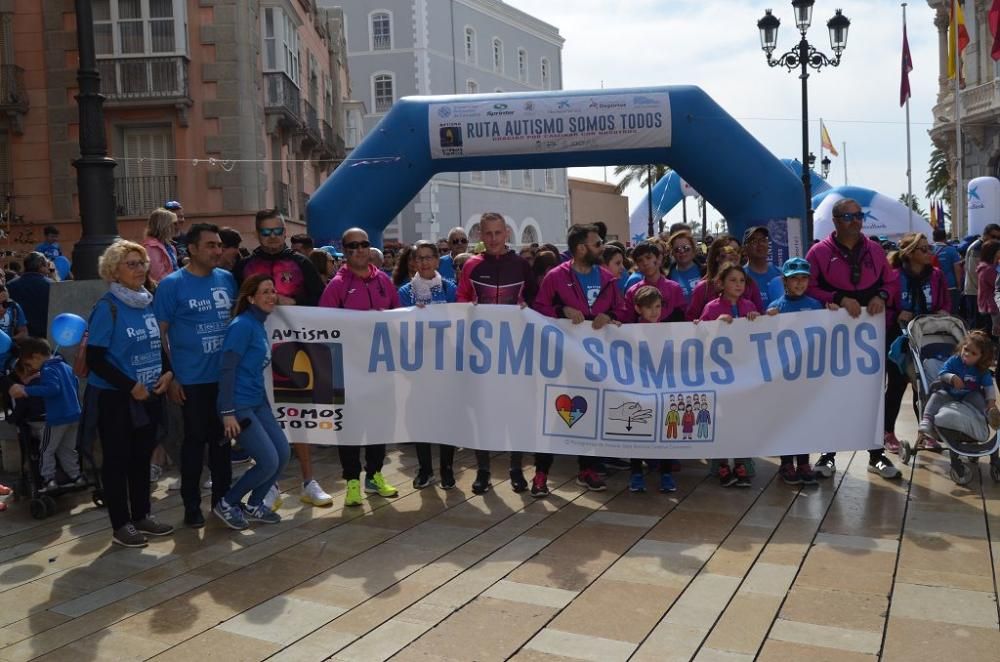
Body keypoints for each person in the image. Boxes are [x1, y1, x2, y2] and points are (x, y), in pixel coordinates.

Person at [233, 210, 331, 507]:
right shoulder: (245, 266)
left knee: (298, 415)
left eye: (277, 231)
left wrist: (293, 303)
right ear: (257, 233)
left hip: (295, 349)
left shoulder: (301, 263)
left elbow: (321, 302)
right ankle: (270, 483)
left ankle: (308, 481)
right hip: (256, 352)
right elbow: (236, 305)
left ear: (285, 231)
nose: (273, 238)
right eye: (266, 232)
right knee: (266, 415)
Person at [805, 197, 902, 480]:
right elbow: (807, 288)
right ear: (836, 221)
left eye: (859, 216)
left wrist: (881, 296)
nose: (856, 221)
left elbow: (891, 282)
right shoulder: (819, 253)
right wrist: (836, 297)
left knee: (873, 393)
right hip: (834, 336)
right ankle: (828, 454)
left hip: (871, 335)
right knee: (833, 393)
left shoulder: (874, 249)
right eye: (849, 217)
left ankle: (876, 454)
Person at [86, 240, 174, 548]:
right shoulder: (107, 307)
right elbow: (95, 359)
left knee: (140, 458)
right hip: (116, 398)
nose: (140, 269)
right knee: (117, 461)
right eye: (132, 264)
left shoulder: (146, 302)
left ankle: (142, 516)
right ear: (114, 270)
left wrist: (167, 371)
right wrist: (129, 386)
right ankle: (120, 524)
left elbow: (155, 343)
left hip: (148, 393)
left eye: (142, 263)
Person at [154, 224, 238, 528]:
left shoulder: (227, 279)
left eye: (219, 245)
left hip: (224, 378)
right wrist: (171, 374)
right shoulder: (171, 285)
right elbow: (158, 334)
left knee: (223, 441)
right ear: (191, 249)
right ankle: (191, 505)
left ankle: (222, 501)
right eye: (210, 245)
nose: (218, 250)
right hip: (190, 380)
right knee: (193, 442)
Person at [535, 223, 622, 493]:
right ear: (581, 248)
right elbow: (540, 308)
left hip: (595, 361)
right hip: (561, 359)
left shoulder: (607, 277)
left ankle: (588, 469)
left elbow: (623, 310)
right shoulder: (555, 276)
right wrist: (562, 309)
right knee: (551, 416)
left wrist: (610, 316)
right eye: (597, 244)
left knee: (591, 412)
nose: (602, 248)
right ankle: (540, 474)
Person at [457, 212, 539, 495]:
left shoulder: (520, 265)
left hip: (515, 353)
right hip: (481, 356)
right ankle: (483, 471)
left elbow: (536, 300)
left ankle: (516, 469)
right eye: (487, 233)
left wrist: (528, 308)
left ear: (506, 234)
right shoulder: (471, 265)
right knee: (482, 413)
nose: (492, 239)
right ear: (481, 236)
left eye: (497, 233)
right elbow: (460, 303)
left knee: (514, 412)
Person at [319, 228, 400, 506]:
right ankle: (352, 480)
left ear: (370, 247)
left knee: (379, 424)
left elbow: (399, 318)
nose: (358, 250)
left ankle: (374, 475)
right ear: (344, 250)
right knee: (350, 427)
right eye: (351, 246)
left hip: (380, 368)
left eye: (363, 244)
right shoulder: (337, 286)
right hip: (348, 369)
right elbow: (323, 327)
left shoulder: (384, 282)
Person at [213, 274, 290, 529]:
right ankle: (227, 503)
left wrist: (266, 406)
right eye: (265, 291)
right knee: (268, 460)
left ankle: (256, 503)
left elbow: (256, 371)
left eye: (273, 291)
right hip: (238, 406)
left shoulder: (259, 324)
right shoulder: (242, 325)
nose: (271, 296)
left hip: (257, 403)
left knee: (283, 453)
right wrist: (227, 412)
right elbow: (227, 369)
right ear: (250, 298)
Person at [766, 257, 840, 484]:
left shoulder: (816, 305)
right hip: (785, 375)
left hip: (808, 374)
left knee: (804, 419)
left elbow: (827, 332)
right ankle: (786, 463)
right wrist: (767, 321)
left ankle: (804, 462)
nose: (799, 283)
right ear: (784, 281)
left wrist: (834, 313)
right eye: (794, 279)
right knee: (786, 419)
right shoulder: (775, 307)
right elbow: (764, 338)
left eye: (803, 278)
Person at [397, 241, 458, 488]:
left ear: (436, 260)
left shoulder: (449, 287)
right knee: (421, 417)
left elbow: (461, 319)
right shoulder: (404, 292)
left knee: (446, 417)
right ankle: (425, 469)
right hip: (418, 363)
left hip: (446, 362)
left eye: (428, 258)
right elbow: (398, 326)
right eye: (419, 258)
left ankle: (447, 469)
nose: (424, 263)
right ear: (413, 262)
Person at [885, 233, 951, 452]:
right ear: (910, 253)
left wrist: (943, 312)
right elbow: (886, 306)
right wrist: (896, 313)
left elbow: (944, 302)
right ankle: (887, 433)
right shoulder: (895, 277)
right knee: (897, 384)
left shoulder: (937, 275)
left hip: (927, 333)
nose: (929, 253)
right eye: (923, 249)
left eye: (929, 248)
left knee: (923, 384)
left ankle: (925, 433)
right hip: (899, 336)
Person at [698, 263, 760, 488]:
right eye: (733, 280)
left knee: (742, 418)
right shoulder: (712, 307)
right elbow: (700, 336)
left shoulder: (750, 305)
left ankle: (742, 461)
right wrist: (715, 325)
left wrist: (756, 319)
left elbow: (761, 335)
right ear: (721, 284)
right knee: (721, 419)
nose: (738, 285)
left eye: (742, 281)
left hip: (744, 374)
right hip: (719, 376)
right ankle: (722, 462)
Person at [9, 337, 84, 491]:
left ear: (36, 356)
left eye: (29, 364)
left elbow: (52, 389)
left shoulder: (47, 370)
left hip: (57, 418)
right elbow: (75, 383)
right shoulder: (65, 366)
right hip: (74, 415)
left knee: (45, 450)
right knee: (68, 449)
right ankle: (76, 476)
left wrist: (26, 390)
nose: (32, 368)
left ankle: (48, 479)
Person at [627, 285, 678, 494]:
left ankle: (666, 473)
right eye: (648, 308)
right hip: (638, 389)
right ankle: (636, 473)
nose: (654, 312)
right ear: (638, 309)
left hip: (662, 389)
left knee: (664, 431)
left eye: (657, 306)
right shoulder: (628, 330)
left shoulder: (669, 330)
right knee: (637, 431)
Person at [918, 330, 1000, 435]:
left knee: (979, 398)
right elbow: (942, 373)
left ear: (981, 357)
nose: (967, 354)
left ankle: (989, 415)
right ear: (962, 346)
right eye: (966, 349)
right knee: (936, 397)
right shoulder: (954, 360)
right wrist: (952, 378)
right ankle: (927, 420)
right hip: (949, 392)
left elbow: (989, 386)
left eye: (973, 353)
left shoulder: (981, 369)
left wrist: (991, 402)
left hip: (969, 394)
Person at [686, 235, 763, 320]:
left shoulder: (750, 284)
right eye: (730, 251)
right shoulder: (703, 288)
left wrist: (757, 317)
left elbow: (761, 316)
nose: (735, 255)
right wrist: (716, 324)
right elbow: (691, 323)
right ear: (717, 256)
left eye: (737, 251)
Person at [620, 241, 686, 323]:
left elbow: (682, 320)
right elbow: (628, 322)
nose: (645, 263)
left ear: (658, 259)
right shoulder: (632, 292)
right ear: (637, 265)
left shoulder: (674, 288)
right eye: (640, 260)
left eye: (648, 257)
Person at [963, 224, 1000, 327]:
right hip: (975, 294)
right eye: (993, 237)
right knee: (978, 328)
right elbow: (975, 274)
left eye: (998, 237)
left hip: (985, 295)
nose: (996, 240)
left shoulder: (989, 248)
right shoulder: (977, 248)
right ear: (985, 235)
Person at [8, 252, 53, 338]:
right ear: (40, 265)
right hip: (45, 336)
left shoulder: (11, 285)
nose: (48, 267)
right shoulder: (52, 285)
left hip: (19, 337)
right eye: (46, 264)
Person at [742, 226, 783, 309]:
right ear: (745, 248)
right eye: (754, 241)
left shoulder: (781, 273)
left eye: (763, 240)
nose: (760, 244)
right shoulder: (740, 276)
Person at [665, 230, 704, 305]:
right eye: (677, 249)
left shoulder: (706, 271)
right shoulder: (667, 277)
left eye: (686, 248)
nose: (682, 252)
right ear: (672, 253)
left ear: (693, 249)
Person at [142, 208, 179, 283]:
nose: (177, 227)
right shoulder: (151, 247)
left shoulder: (169, 246)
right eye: (174, 223)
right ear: (164, 226)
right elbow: (157, 276)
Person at [932, 228, 963, 316]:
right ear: (945, 237)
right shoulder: (951, 250)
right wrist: (959, 284)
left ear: (933, 238)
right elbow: (957, 269)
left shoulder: (928, 250)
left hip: (934, 287)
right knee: (952, 313)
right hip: (950, 286)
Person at [976, 240, 1000, 335]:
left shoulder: (990, 266)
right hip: (990, 308)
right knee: (993, 336)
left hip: (989, 306)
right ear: (993, 252)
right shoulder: (988, 269)